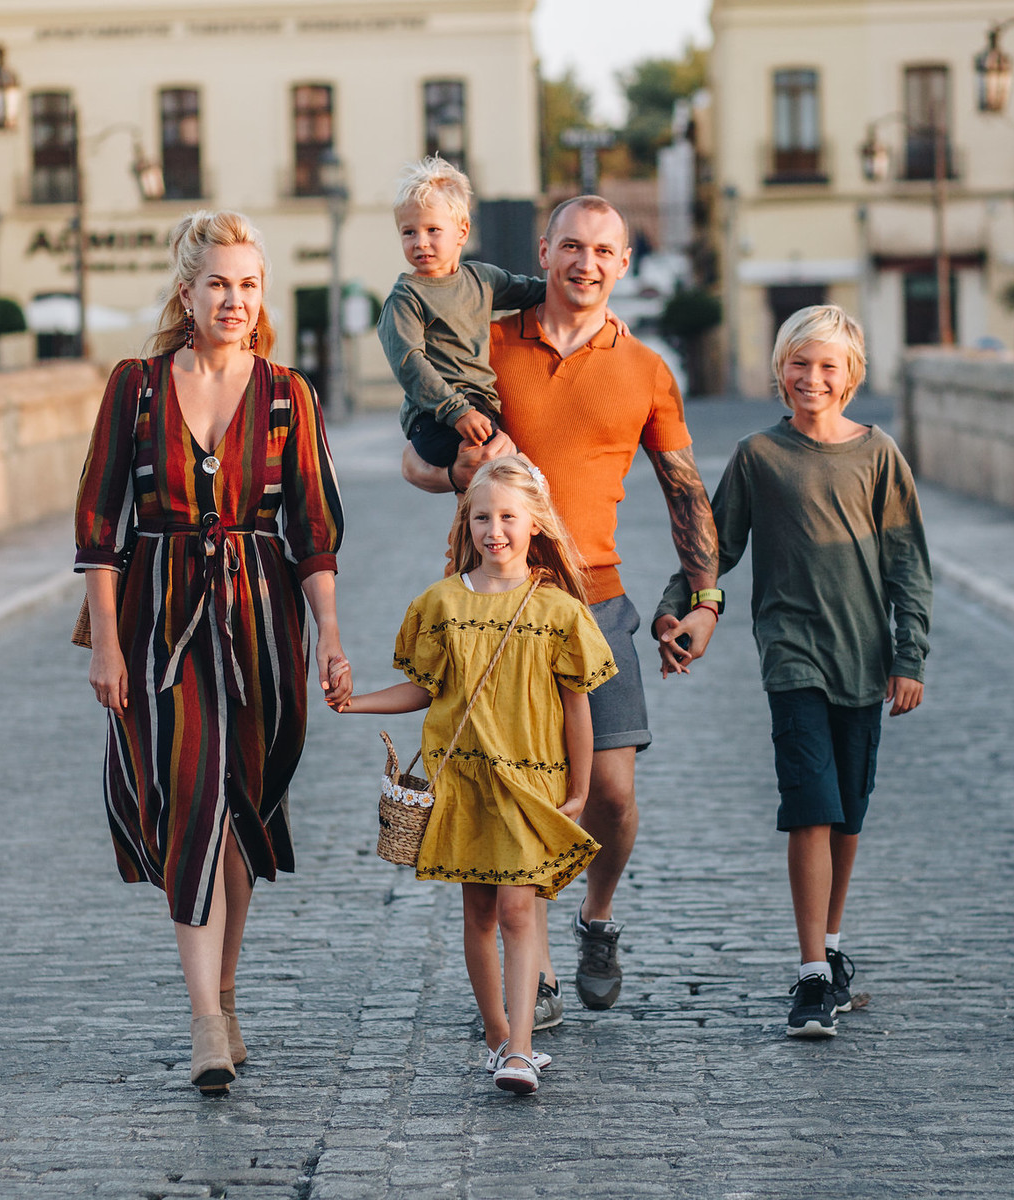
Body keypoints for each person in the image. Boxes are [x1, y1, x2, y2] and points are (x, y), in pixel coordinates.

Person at [402, 195, 719, 1024]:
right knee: (521, 792)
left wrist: (706, 598)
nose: (586, 263)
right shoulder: (488, 342)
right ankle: (531, 971)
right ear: (543, 252)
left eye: (604, 250)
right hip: (498, 606)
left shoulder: (647, 370)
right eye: (570, 246)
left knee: (609, 793)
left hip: (597, 602)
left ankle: (598, 917)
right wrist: (459, 476)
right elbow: (414, 459)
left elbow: (685, 493)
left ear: (623, 264)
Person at [75, 210, 349, 1095]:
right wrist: (106, 643)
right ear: (186, 293)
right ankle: (202, 1022)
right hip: (159, 622)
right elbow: (98, 521)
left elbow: (311, 532)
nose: (235, 299)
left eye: (249, 285)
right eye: (218, 284)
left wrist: (333, 639)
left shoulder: (287, 395)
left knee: (241, 805)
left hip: (265, 622)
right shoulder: (137, 387)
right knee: (188, 798)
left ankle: (226, 996)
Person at [654, 305, 932, 1038]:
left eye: (827, 366)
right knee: (810, 802)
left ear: (851, 376)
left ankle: (832, 948)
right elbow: (714, 543)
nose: (812, 378)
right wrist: (675, 607)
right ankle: (811, 972)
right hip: (791, 652)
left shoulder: (878, 456)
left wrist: (910, 656)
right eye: (799, 364)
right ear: (780, 371)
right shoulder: (758, 456)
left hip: (865, 655)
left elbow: (908, 565)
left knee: (848, 811)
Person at [339, 458, 612, 1094]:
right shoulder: (440, 604)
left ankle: (521, 1049)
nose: (495, 530)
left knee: (520, 911)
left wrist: (579, 788)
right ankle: (496, 1035)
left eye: (509, 517)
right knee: (480, 912)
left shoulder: (558, 612)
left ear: (535, 523)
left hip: (530, 787)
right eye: (482, 516)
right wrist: (356, 702)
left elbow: (579, 707)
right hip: (463, 783)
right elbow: (422, 689)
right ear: (467, 521)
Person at [378, 155, 547, 474]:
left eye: (432, 230)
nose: (421, 243)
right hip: (435, 418)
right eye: (409, 232)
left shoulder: (482, 279)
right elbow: (411, 366)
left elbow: (537, 292)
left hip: (480, 409)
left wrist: (595, 307)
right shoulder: (405, 297)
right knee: (521, 477)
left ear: (462, 231)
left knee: (508, 483)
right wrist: (457, 412)